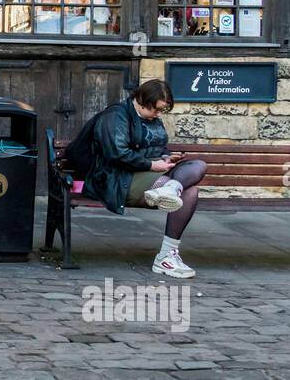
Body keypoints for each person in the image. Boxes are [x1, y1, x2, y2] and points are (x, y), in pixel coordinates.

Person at [64, 79, 208, 279]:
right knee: (190, 192)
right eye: (156, 110)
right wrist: (152, 165)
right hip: (116, 178)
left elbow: (155, 146)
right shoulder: (116, 116)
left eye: (162, 111)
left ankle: (168, 247)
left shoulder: (150, 117)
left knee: (199, 165)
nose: (158, 115)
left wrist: (166, 157)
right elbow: (117, 153)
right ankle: (166, 256)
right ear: (141, 100)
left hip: (146, 173)